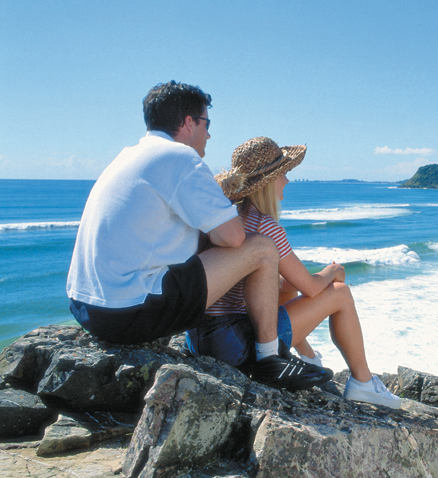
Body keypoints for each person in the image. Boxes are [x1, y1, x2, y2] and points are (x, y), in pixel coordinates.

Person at [66, 82, 331, 391]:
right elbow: (233, 238)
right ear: (189, 122)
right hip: (127, 313)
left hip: (86, 307)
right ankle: (269, 359)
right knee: (261, 248)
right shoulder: (180, 158)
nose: (208, 134)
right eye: (206, 124)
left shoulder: (129, 155)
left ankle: (282, 352)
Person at [186, 136, 401, 409]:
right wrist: (332, 271)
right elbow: (311, 287)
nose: (287, 180)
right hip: (233, 345)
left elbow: (289, 284)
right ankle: (363, 383)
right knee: (341, 294)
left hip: (200, 339)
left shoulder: (227, 221)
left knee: (285, 284)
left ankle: (308, 355)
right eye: (284, 173)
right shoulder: (265, 227)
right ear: (268, 182)